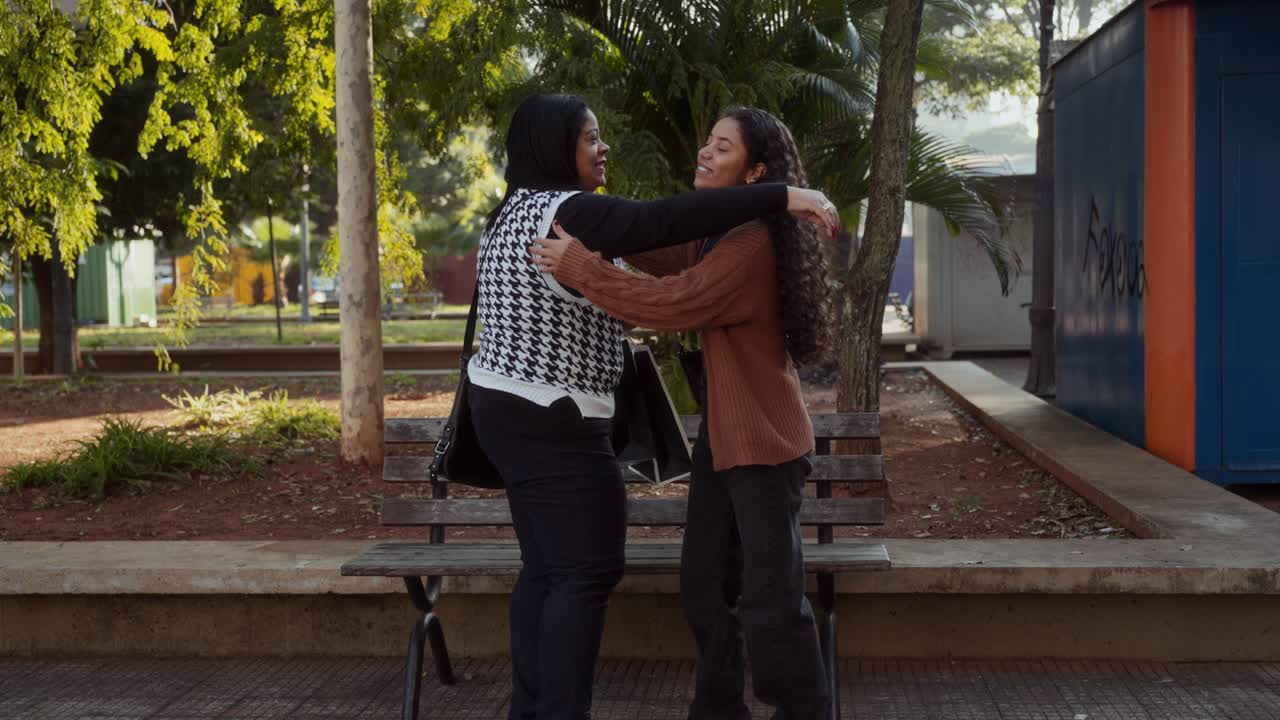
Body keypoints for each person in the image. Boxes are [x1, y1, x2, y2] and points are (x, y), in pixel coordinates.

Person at [470, 94, 838, 720]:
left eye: (723, 148)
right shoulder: (719, 235)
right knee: (701, 589)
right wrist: (612, 232)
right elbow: (662, 237)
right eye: (590, 138)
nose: (705, 151)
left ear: (754, 174)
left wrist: (589, 263)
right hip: (722, 439)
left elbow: (674, 300)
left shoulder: (747, 243)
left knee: (768, 601)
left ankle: (802, 710)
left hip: (762, 442)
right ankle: (718, 709)